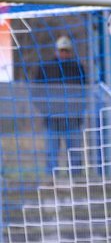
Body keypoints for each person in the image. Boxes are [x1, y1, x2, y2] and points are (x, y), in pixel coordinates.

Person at [30, 35, 87, 176]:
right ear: (56, 51)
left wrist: (77, 111)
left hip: (72, 119)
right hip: (52, 119)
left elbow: (85, 92)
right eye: (61, 50)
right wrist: (46, 111)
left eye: (66, 51)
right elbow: (36, 93)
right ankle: (51, 182)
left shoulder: (77, 68)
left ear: (70, 52)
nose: (64, 53)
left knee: (74, 153)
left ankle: (76, 182)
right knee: (51, 152)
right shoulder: (46, 68)